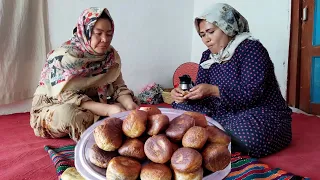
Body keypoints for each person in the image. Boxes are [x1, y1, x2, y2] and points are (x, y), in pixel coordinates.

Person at [171, 3, 292, 158]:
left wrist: (213, 90)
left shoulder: (251, 49)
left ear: (227, 28)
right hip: (223, 111)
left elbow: (252, 93)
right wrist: (185, 94)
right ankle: (213, 134)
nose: (206, 39)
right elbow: (202, 91)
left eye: (210, 32)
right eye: (202, 35)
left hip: (258, 111)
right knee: (180, 106)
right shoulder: (207, 56)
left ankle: (212, 136)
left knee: (247, 135)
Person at [30, 7, 139, 142]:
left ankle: (101, 123)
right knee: (69, 115)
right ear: (85, 32)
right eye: (98, 33)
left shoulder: (110, 56)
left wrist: (129, 105)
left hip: (93, 104)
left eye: (109, 34)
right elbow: (66, 97)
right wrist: (107, 110)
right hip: (55, 105)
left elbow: (119, 87)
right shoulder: (64, 58)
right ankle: (100, 125)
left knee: (133, 104)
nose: (105, 39)